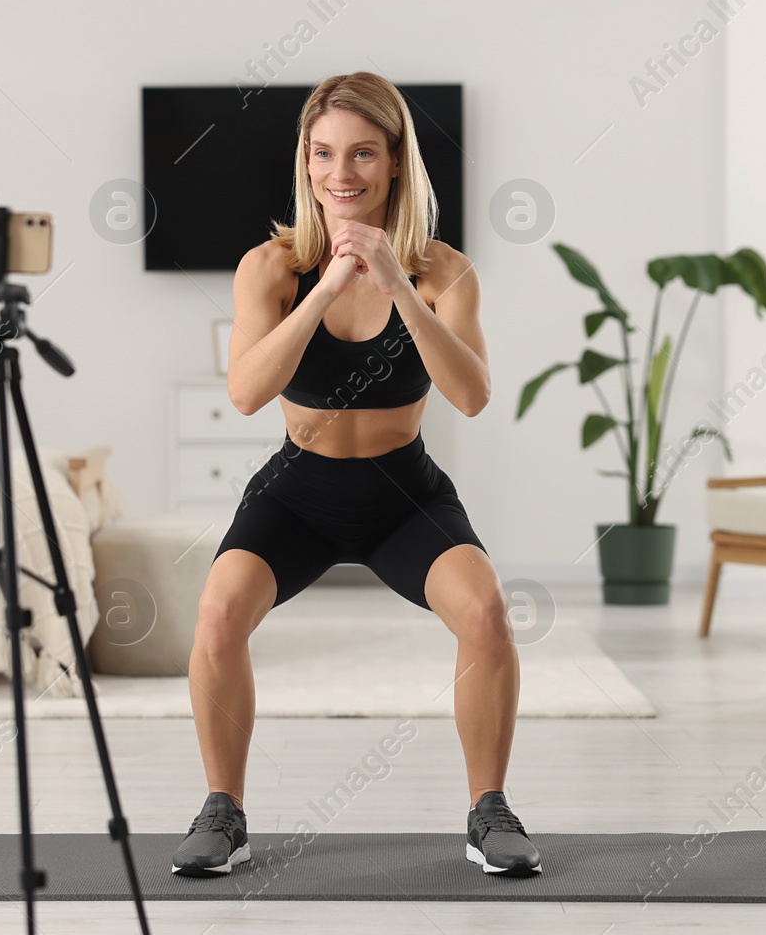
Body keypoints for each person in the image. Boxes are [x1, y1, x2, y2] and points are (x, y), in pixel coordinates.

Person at [169, 71, 540, 878]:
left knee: (486, 612)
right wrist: (329, 284)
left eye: (364, 153)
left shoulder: (445, 272)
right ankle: (221, 809)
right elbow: (244, 392)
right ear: (306, 163)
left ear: (396, 162)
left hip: (403, 493)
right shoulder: (270, 267)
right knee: (219, 611)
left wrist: (397, 284)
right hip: (299, 490)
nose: (344, 173)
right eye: (326, 153)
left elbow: (472, 397)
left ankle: (490, 811)